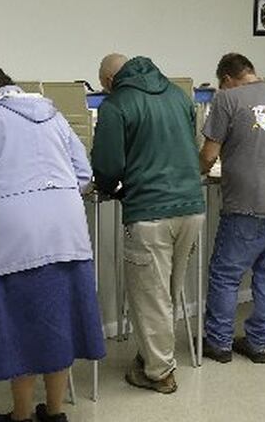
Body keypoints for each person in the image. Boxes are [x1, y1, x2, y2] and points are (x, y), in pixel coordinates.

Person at [0, 67, 105, 422]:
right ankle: (54, 412)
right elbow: (83, 174)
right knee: (60, 320)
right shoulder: (54, 114)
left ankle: (20, 415)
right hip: (66, 228)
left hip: (14, 233)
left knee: (20, 324)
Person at [92, 54, 205, 393]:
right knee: (168, 290)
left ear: (109, 81)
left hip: (149, 212)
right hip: (191, 207)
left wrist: (109, 187)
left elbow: (108, 166)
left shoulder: (116, 105)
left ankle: (158, 373)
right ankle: (154, 355)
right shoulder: (178, 95)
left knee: (150, 295)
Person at [198, 53, 265, 364]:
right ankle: (258, 343)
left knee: (226, 274)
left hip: (248, 205)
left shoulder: (226, 99)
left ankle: (218, 343)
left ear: (226, 79)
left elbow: (208, 155)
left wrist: (195, 173)